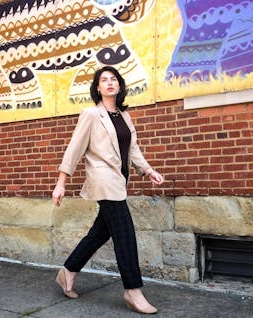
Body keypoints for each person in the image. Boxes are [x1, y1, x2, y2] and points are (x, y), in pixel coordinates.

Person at [51, 66, 164, 314]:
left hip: (120, 181)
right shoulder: (91, 114)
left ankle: (67, 271)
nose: (110, 83)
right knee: (124, 231)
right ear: (98, 88)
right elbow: (74, 149)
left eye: (114, 79)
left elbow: (132, 150)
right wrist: (61, 183)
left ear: (119, 86)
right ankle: (133, 291)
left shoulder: (125, 116)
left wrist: (147, 170)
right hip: (103, 180)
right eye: (104, 80)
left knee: (100, 233)